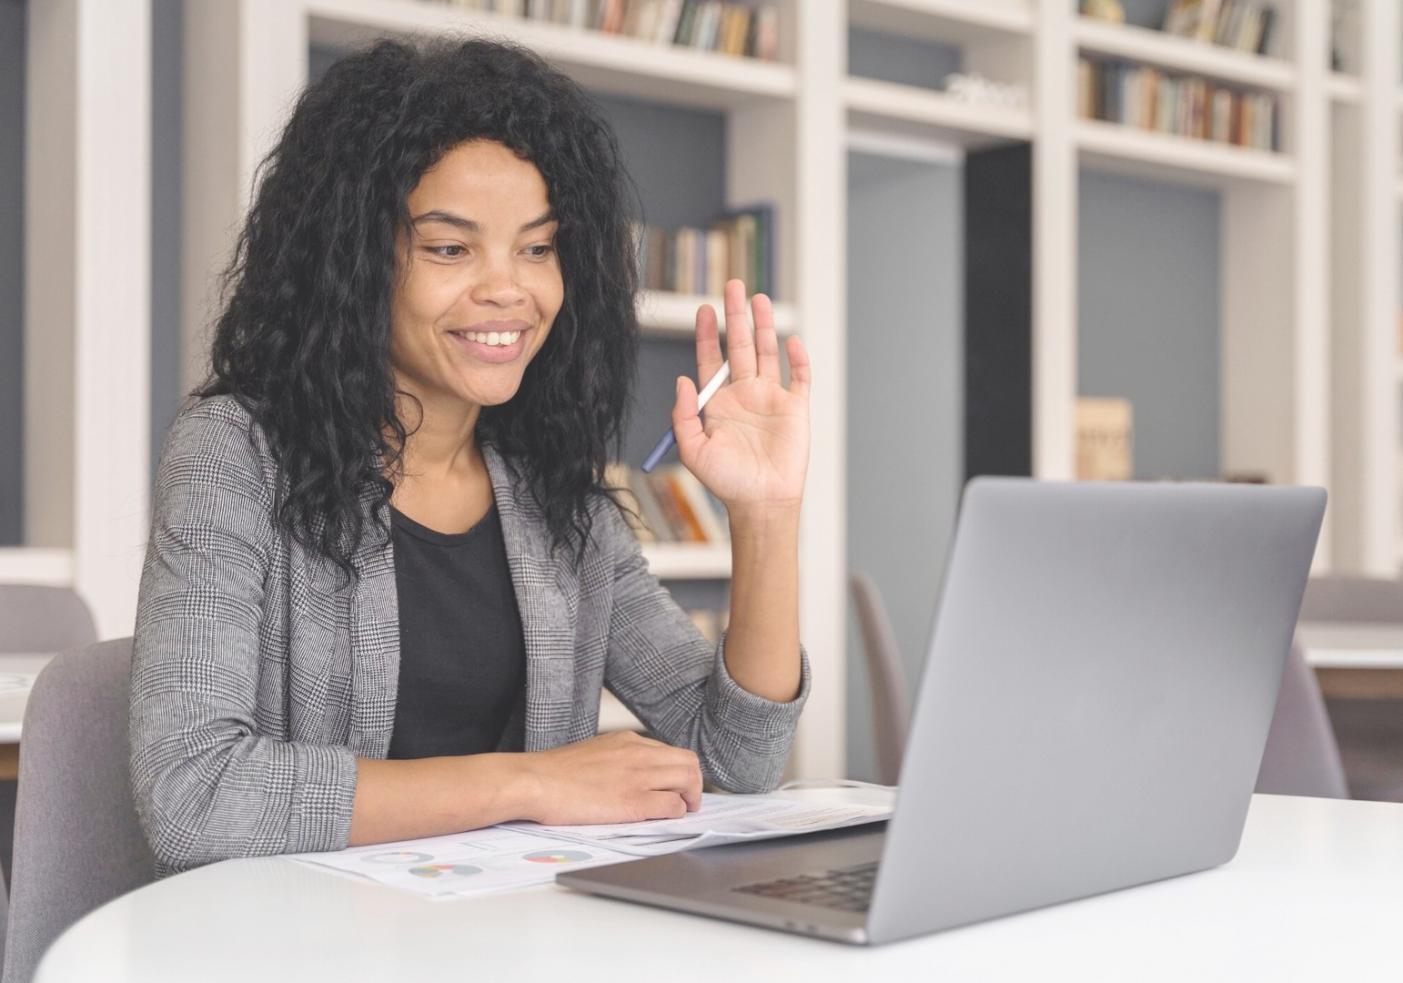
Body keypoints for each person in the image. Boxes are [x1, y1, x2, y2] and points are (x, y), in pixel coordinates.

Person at [130, 37, 812, 877]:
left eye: (537, 248)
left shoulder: (554, 494)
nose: (508, 290)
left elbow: (738, 755)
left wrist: (765, 516)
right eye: (450, 249)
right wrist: (527, 782)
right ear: (351, 262)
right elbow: (193, 795)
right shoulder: (234, 454)